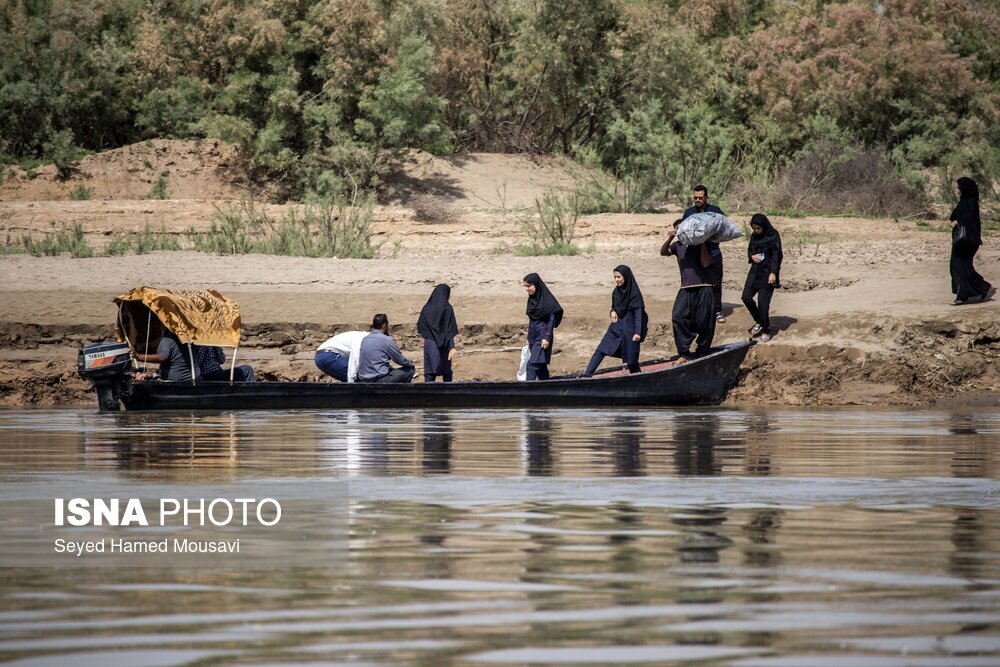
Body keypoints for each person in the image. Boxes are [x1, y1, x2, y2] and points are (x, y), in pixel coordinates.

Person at [661, 219, 715, 361]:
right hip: (685, 288)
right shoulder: (677, 245)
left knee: (705, 322)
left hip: (704, 287)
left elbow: (706, 263)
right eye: (678, 230)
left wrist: (702, 242)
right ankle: (684, 353)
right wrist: (670, 238)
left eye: (682, 229)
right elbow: (663, 252)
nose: (681, 232)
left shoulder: (699, 244)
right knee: (678, 317)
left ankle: (702, 352)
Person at [583, 265, 648, 376]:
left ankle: (638, 380)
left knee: (632, 360)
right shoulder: (616, 292)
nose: (616, 280)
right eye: (615, 277)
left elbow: (638, 315)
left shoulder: (634, 294)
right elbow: (614, 306)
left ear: (626, 277)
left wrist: (637, 333)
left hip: (630, 331)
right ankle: (587, 375)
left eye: (619, 277)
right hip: (616, 328)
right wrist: (612, 311)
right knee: (601, 350)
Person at [682, 184, 726, 324]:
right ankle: (699, 311)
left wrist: (711, 237)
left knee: (715, 283)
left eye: (700, 198)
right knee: (698, 283)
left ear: (706, 197)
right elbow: (683, 231)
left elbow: (724, 228)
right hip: (694, 255)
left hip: (713, 253)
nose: (697, 200)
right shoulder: (689, 213)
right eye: (695, 198)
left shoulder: (715, 211)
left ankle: (717, 311)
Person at [950, 176, 995, 305]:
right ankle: (981, 289)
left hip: (966, 241)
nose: (958, 190)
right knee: (963, 267)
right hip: (966, 241)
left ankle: (966, 294)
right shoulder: (968, 201)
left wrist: (956, 222)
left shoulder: (969, 202)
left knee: (960, 267)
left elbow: (968, 219)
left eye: (959, 188)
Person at [742, 213, 783, 343]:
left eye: (758, 228)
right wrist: (752, 257)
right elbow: (750, 250)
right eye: (754, 228)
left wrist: (773, 273)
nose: (756, 231)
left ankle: (765, 330)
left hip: (767, 272)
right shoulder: (754, 236)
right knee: (746, 296)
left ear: (764, 226)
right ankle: (759, 321)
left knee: (763, 304)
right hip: (754, 272)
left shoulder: (773, 235)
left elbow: (777, 255)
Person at [523, 273, 563, 381]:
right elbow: (531, 320)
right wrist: (529, 338)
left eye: (529, 286)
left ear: (536, 284)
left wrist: (547, 338)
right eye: (525, 286)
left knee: (532, 365)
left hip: (542, 337)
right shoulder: (532, 300)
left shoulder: (548, 302)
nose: (527, 289)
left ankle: (527, 391)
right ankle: (547, 387)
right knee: (541, 366)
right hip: (533, 335)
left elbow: (551, 321)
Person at [417, 284, 459, 382]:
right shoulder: (447, 308)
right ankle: (448, 395)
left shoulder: (426, 308)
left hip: (430, 343)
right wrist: (452, 347)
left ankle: (429, 394)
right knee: (447, 372)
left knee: (429, 372)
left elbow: (421, 326)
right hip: (445, 345)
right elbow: (449, 329)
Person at [356, 314, 415, 383]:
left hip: (364, 379)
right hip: (379, 379)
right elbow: (399, 359)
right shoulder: (386, 340)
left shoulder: (365, 339)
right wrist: (411, 363)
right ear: (384, 325)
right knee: (410, 370)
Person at [130, 331, 198, 382]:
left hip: (173, 381)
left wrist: (138, 356)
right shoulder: (192, 338)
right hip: (194, 378)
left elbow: (162, 357)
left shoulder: (168, 339)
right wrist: (153, 374)